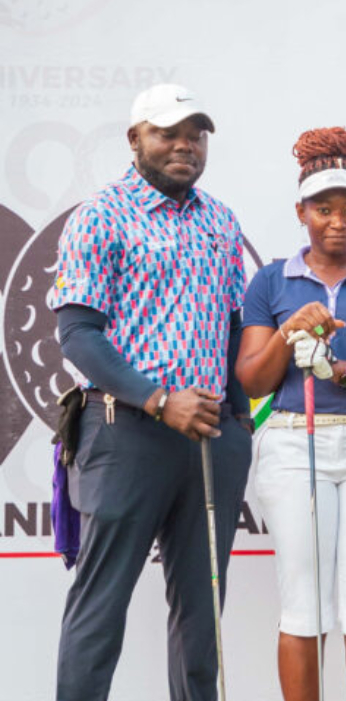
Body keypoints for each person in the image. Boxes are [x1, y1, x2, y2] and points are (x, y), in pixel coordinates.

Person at [49, 83, 253, 701]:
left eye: (196, 135)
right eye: (168, 133)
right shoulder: (101, 215)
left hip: (210, 435)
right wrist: (160, 399)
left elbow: (233, 328)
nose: (185, 145)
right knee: (101, 604)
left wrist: (239, 423)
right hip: (125, 430)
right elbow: (78, 335)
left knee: (202, 613)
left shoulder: (221, 220)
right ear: (135, 138)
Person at [235, 127, 346, 701]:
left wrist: (337, 370)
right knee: (304, 607)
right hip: (294, 443)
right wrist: (289, 332)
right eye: (323, 209)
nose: (337, 221)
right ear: (301, 212)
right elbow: (252, 380)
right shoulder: (271, 281)